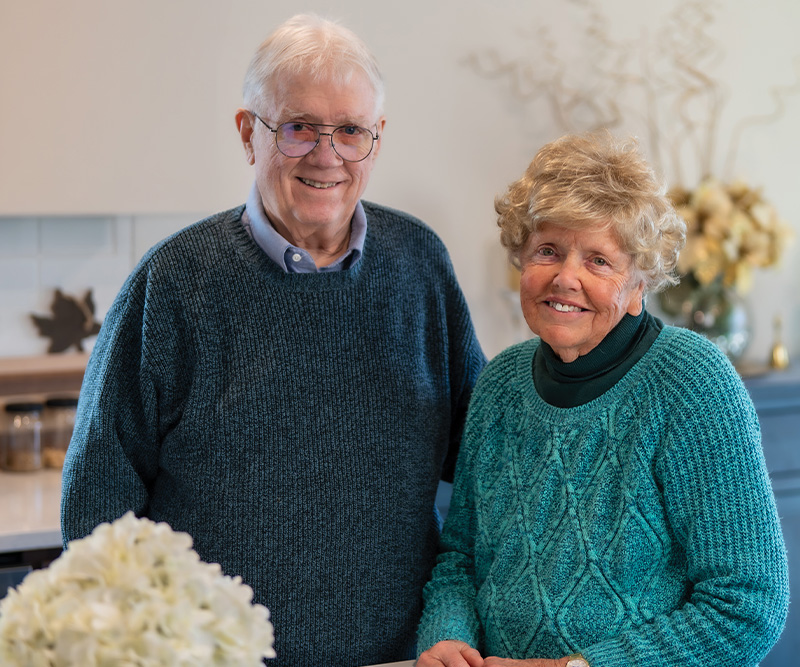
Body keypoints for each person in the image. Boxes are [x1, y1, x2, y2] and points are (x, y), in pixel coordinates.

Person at [61, 14, 486, 667]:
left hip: (402, 658)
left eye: (350, 130)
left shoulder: (421, 265)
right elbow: (98, 501)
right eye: (298, 128)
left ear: (377, 140)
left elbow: (483, 467)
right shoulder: (172, 284)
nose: (327, 154)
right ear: (247, 133)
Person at [416, 133, 788, 667]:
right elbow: (460, 559)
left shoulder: (691, 383)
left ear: (639, 283)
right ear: (521, 260)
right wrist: (447, 638)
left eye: (598, 260)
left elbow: (747, 608)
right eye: (547, 250)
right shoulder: (499, 385)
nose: (566, 278)